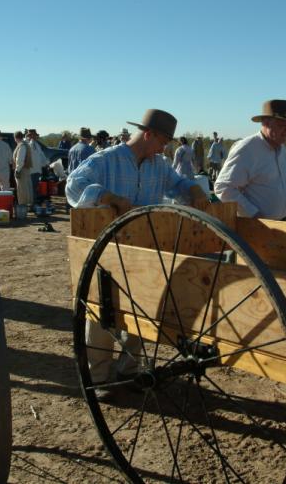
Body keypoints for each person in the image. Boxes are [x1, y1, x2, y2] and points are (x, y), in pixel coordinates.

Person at [66, 109, 210, 394]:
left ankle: (129, 370)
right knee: (102, 313)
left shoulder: (159, 165)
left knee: (140, 309)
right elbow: (73, 185)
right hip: (107, 251)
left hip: (143, 250)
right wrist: (106, 196)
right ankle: (98, 379)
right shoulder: (106, 160)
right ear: (148, 134)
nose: (164, 148)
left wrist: (194, 189)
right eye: (163, 141)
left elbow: (178, 184)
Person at [214, 99, 286, 219]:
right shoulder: (247, 149)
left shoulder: (282, 149)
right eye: (282, 125)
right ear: (266, 123)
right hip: (256, 226)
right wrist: (253, 214)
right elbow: (223, 187)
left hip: (283, 222)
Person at [26, 129, 49, 205]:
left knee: (34, 187)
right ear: (31, 136)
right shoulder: (27, 144)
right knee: (31, 187)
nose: (36, 137)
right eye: (34, 135)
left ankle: (34, 202)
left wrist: (46, 163)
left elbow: (41, 156)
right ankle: (32, 203)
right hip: (31, 170)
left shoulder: (37, 145)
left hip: (37, 169)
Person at [13, 131, 34, 209]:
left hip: (22, 169)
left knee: (22, 189)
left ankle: (23, 206)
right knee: (27, 187)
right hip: (26, 169)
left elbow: (20, 160)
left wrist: (17, 170)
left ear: (16, 138)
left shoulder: (22, 146)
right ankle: (28, 205)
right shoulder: (26, 144)